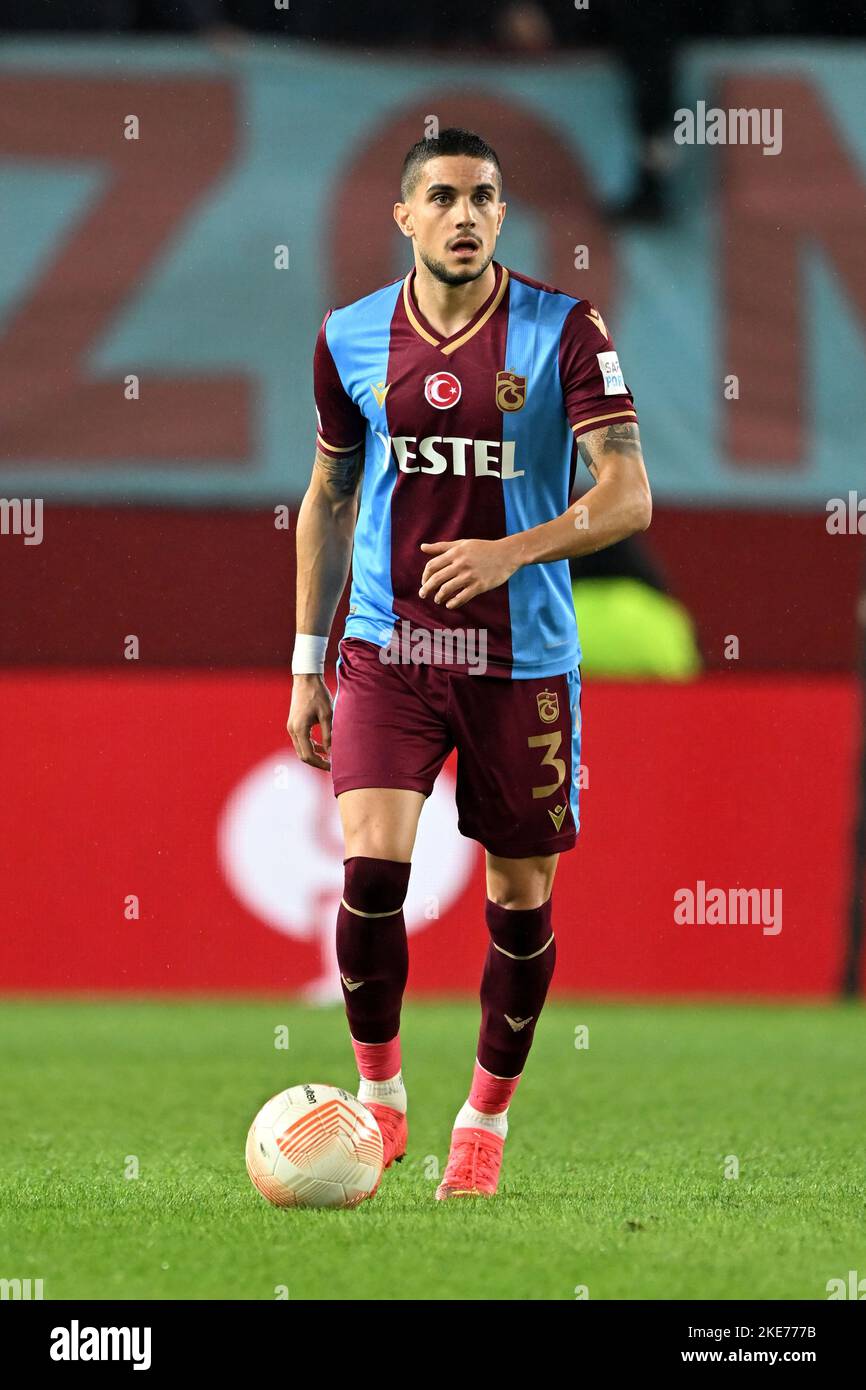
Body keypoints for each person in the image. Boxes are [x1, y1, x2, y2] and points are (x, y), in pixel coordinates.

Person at [287, 128, 651, 1199]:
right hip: (388, 651)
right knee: (370, 873)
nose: (463, 214)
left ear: (501, 214)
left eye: (482, 198)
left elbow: (626, 494)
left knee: (519, 895)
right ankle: (383, 1096)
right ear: (402, 215)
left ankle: (483, 1120)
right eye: (440, 196)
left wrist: (511, 547)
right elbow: (328, 495)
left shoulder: (563, 331)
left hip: (521, 661)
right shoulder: (348, 336)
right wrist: (308, 660)